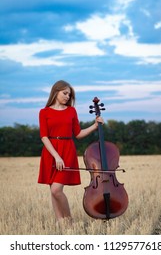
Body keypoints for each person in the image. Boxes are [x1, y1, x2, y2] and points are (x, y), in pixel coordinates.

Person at [38, 80, 104, 226]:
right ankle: (60, 221)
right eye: (65, 93)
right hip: (51, 152)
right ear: (55, 92)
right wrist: (56, 156)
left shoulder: (71, 111)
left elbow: (78, 134)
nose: (68, 97)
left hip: (67, 151)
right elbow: (44, 136)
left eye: (70, 94)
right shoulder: (44, 112)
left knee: (56, 189)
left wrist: (94, 125)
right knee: (53, 190)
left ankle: (69, 221)